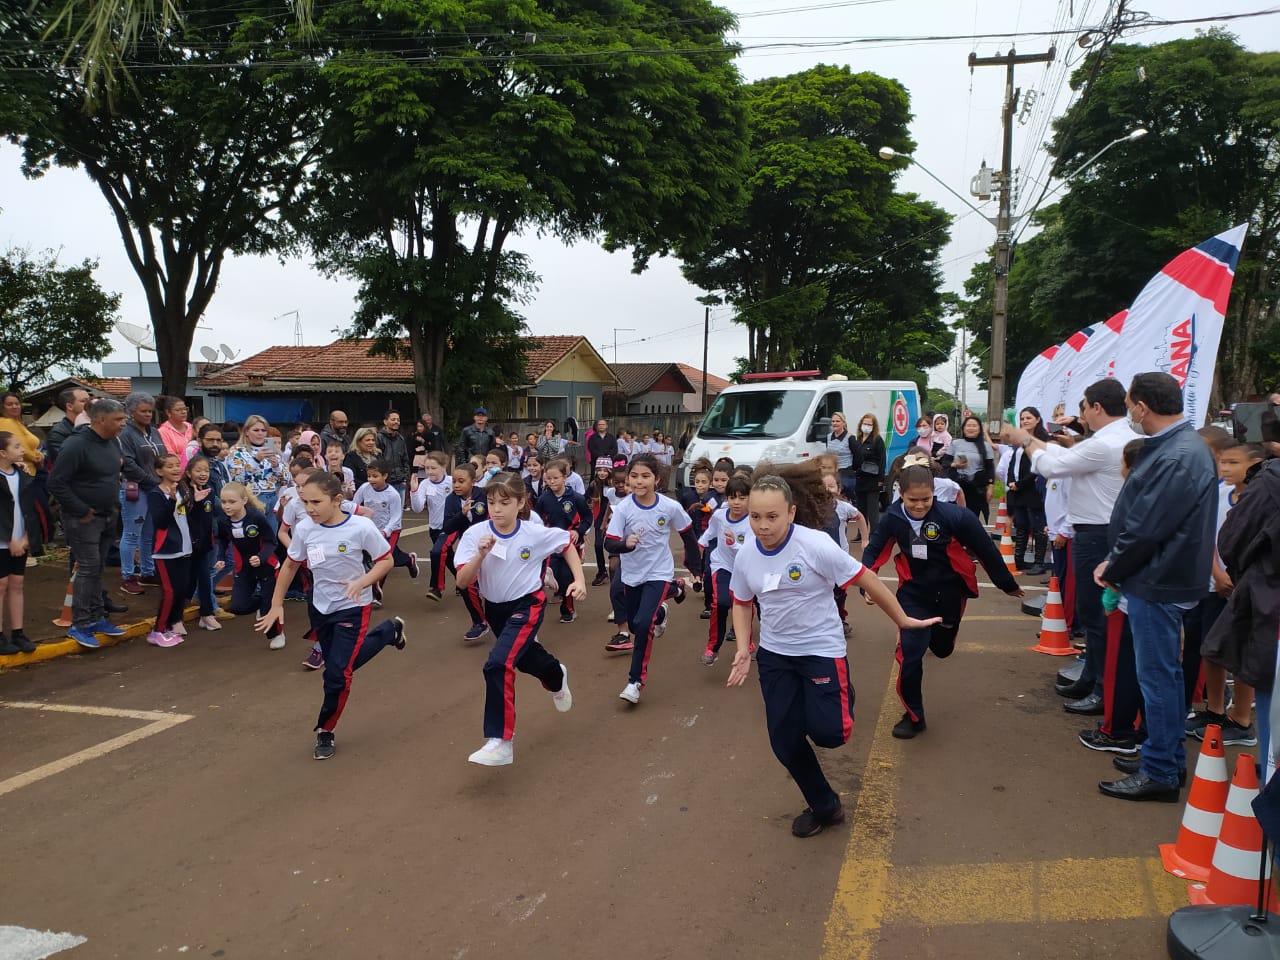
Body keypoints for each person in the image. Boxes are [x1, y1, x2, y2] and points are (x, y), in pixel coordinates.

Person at [724, 469, 942, 838]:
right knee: (784, 741)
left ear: (791, 513)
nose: (762, 525)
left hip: (820, 651)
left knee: (830, 733)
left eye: (772, 516)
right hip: (776, 656)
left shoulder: (814, 545)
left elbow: (865, 578)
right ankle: (824, 805)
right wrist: (744, 648)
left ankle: (841, 695)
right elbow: (742, 601)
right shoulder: (747, 553)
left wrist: (902, 619)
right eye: (755, 516)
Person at [1094, 372, 1218, 802]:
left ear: (1141, 406)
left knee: (1158, 678)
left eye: (1130, 404)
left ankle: (1161, 771)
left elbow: (1147, 528)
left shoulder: (1176, 455)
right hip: (1162, 576)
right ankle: (1163, 756)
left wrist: (1113, 566)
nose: (1129, 412)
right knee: (1163, 675)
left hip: (1157, 579)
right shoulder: (1178, 448)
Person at [863, 463, 1023, 739]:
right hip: (913, 595)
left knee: (942, 649)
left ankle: (947, 633)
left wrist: (1006, 584)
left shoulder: (955, 517)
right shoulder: (892, 518)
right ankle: (914, 716)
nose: (919, 505)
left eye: (926, 499)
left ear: (934, 493)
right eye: (913, 500)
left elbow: (985, 550)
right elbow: (874, 551)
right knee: (910, 654)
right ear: (901, 494)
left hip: (951, 592)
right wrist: (867, 585)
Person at [256, 470, 406, 760]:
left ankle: (325, 729)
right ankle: (389, 632)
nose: (309, 509)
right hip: (320, 605)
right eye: (305, 502)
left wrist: (362, 582)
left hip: (353, 605)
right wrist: (276, 605)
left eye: (316, 502)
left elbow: (385, 560)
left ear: (337, 500)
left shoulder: (361, 527)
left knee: (336, 674)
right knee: (340, 663)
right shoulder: (305, 529)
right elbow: (290, 565)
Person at [1003, 379, 1131, 716]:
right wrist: (1057, 445)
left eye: (1084, 407)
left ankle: (1102, 688)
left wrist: (1026, 440)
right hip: (1100, 531)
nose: (1082, 414)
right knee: (1095, 615)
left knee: (1096, 614)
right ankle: (1092, 676)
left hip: (1097, 534)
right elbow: (1068, 457)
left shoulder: (1105, 443)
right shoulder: (1113, 439)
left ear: (1096, 408)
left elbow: (1053, 466)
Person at [455, 472, 583, 766]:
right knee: (524, 659)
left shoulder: (532, 532)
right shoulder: (475, 535)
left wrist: (579, 580)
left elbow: (566, 544)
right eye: (491, 502)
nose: (496, 509)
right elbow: (463, 582)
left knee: (498, 663)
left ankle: (500, 740)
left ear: (521, 502)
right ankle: (555, 675)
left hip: (528, 604)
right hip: (496, 609)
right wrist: (480, 555)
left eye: (504, 502)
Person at [602, 453, 701, 705]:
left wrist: (694, 567)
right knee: (637, 624)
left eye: (645, 476)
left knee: (643, 625)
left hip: (659, 572)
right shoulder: (623, 508)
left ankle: (635, 682)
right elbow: (609, 543)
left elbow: (688, 534)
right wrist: (626, 543)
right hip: (632, 574)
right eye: (634, 476)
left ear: (656, 479)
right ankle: (674, 595)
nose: (639, 481)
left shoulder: (669, 507)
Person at [1200, 443, 1278, 761]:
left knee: (1249, 656)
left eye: (1233, 462)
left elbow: (1235, 539)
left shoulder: (1267, 487)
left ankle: (1242, 720)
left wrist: (1239, 573)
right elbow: (1217, 538)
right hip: (1226, 583)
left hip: (1255, 591)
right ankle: (1217, 709)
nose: (1225, 468)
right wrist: (1220, 573)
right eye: (1222, 462)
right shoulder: (1221, 494)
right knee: (1217, 649)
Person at [48, 398, 129, 648]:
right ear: (101, 420)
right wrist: (81, 509)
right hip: (84, 519)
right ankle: (80, 624)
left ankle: (96, 618)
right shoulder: (76, 444)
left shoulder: (112, 442)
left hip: (108, 515)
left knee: (98, 568)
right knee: (88, 568)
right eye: (118, 419)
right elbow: (56, 483)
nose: (123, 424)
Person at [215, 481, 285, 650]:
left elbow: (271, 541)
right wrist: (221, 557)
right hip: (244, 568)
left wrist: (261, 557)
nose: (227, 506)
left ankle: (276, 634)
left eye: (232, 502)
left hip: (266, 565)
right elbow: (222, 540)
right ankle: (262, 604)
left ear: (244, 500)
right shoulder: (223, 521)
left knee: (270, 606)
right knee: (238, 606)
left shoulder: (256, 517)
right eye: (224, 502)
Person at [427, 462, 490, 641]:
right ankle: (480, 622)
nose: (456, 485)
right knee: (465, 582)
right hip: (469, 547)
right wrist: (461, 515)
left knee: (495, 585)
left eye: (461, 481)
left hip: (490, 543)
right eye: (454, 481)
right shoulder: (452, 500)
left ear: (473, 481)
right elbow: (447, 527)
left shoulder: (484, 495)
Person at [698, 473, 751, 665]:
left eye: (742, 498)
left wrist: (734, 543)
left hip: (745, 569)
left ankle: (747, 643)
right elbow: (710, 532)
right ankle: (712, 648)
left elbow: (750, 551)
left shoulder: (753, 521)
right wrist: (700, 544)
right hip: (722, 565)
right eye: (732, 497)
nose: (736, 502)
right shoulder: (720, 515)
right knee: (720, 603)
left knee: (745, 605)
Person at [534, 458, 591, 624]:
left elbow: (588, 517)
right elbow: (537, 520)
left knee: (567, 577)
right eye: (548, 479)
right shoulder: (544, 499)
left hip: (571, 543)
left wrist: (578, 531)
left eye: (555, 478)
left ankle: (568, 610)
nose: (552, 482)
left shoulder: (576, 498)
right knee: (552, 573)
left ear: (564, 478)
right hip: (551, 543)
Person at [353, 458, 418, 603]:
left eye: (375, 476)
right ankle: (409, 560)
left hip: (391, 530)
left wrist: (386, 531)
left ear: (385, 476)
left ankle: (376, 593)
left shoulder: (392, 494)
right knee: (393, 556)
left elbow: (396, 516)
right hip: (371, 529)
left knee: (383, 558)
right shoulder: (364, 488)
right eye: (369, 476)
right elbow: (354, 505)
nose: (371, 479)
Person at [145, 452, 194, 647]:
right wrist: (171, 500)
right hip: (165, 550)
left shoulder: (182, 488)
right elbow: (161, 522)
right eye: (170, 466)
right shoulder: (156, 494)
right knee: (169, 591)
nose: (176, 469)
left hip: (183, 548)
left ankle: (170, 625)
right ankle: (157, 631)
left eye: (177, 465)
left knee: (181, 590)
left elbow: (184, 516)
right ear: (159, 471)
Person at [118, 391, 164, 595]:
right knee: (131, 534)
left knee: (148, 534)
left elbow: (161, 457)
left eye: (150, 411)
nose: (148, 415)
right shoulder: (125, 433)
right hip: (136, 488)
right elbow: (128, 463)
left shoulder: (154, 431)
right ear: (131, 412)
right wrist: (153, 481)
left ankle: (147, 571)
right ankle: (128, 575)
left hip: (155, 488)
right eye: (143, 411)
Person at [0, 430, 41, 654]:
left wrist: (25, 538)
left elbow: (29, 510)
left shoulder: (23, 475)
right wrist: (8, 539)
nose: (22, 450)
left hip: (20, 540)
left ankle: (18, 632)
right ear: (3, 452)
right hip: (3, 543)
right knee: (1, 585)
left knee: (17, 585)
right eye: (16, 447)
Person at [1005, 407, 1050, 576]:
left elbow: (1038, 467)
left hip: (1033, 490)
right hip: (1017, 489)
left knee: (1038, 526)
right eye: (1022, 418)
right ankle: (1019, 559)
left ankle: (1039, 562)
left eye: (1029, 418)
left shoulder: (1042, 439)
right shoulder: (1019, 439)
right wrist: (1011, 481)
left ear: (1038, 419)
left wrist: (1020, 484)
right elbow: (1012, 462)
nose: (1025, 421)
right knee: (1021, 525)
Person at [228, 414, 285, 533]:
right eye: (256, 430)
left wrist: (276, 467)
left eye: (264, 430)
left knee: (270, 540)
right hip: (252, 498)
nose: (260, 433)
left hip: (273, 498)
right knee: (252, 538)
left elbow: (287, 479)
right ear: (247, 431)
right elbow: (238, 480)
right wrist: (255, 460)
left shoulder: (274, 450)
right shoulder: (236, 451)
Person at [183, 455, 221, 632]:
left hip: (204, 544)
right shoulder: (183, 492)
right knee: (187, 581)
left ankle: (206, 614)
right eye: (198, 470)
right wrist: (195, 502)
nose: (203, 474)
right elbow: (182, 517)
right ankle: (174, 616)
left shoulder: (209, 491)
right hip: (186, 546)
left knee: (205, 577)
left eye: (206, 470)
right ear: (189, 473)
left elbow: (212, 515)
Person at [947, 415, 995, 522]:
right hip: (958, 486)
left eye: (974, 426)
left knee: (972, 518)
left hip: (977, 489)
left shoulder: (986, 446)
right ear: (963, 428)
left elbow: (990, 468)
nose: (971, 428)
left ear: (979, 429)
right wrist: (955, 465)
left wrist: (991, 486)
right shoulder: (956, 443)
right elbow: (945, 462)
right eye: (968, 425)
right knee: (957, 517)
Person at [852, 412, 886, 533]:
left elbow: (882, 460)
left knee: (872, 511)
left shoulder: (877, 440)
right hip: (860, 479)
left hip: (873, 479)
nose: (866, 426)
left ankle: (874, 534)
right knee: (861, 509)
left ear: (874, 426)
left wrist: (881, 479)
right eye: (864, 423)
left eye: (869, 424)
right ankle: (861, 533)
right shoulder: (858, 439)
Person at [408, 451, 452, 545]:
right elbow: (417, 508)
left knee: (438, 552)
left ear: (443, 467)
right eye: (427, 468)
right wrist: (414, 491)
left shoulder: (451, 481)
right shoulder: (425, 484)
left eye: (433, 468)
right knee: (443, 554)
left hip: (450, 526)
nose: (430, 472)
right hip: (434, 527)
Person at [0, 392, 44, 477]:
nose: (15, 406)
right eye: (9, 404)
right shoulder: (6, 422)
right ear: (2, 407)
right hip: (23, 472)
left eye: (17, 404)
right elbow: (21, 447)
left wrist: (39, 453)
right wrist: (37, 458)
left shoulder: (17, 422)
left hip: (30, 471)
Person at [45, 386, 90, 465]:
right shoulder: (57, 433)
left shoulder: (93, 427)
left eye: (89, 400)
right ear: (69, 406)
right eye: (83, 401)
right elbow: (68, 462)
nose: (89, 404)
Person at [824, 412, 862, 502]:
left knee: (848, 499)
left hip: (846, 472)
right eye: (833, 421)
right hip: (832, 471)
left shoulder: (850, 438)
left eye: (838, 421)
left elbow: (858, 455)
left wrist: (853, 469)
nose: (835, 423)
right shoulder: (829, 437)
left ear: (843, 423)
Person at [376, 410, 410, 499]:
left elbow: (405, 459)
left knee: (398, 512)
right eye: (393, 419)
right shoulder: (378, 438)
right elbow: (377, 460)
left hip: (400, 482)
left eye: (398, 420)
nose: (396, 422)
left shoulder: (400, 439)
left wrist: (405, 478)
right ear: (385, 422)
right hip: (385, 482)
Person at [155, 396, 193, 464]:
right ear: (168, 413)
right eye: (178, 410)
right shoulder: (162, 431)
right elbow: (170, 455)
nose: (184, 412)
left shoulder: (192, 427)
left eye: (185, 409)